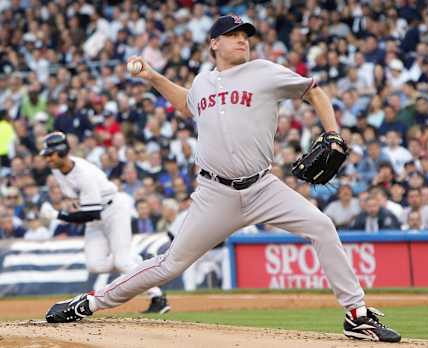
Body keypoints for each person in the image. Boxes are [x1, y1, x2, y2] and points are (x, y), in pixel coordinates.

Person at [45, 16, 400, 342]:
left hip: (263, 187)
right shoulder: (203, 81)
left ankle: (356, 315)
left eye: (245, 35)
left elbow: (314, 91)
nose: (242, 40)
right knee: (170, 264)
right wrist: (152, 77)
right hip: (215, 194)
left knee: (321, 226)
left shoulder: (264, 71)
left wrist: (333, 133)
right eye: (233, 35)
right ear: (214, 43)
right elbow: (186, 103)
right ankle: (89, 302)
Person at [38, 131, 169, 314]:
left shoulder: (83, 173)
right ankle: (134, 262)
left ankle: (157, 297)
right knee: (95, 265)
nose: (47, 158)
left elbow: (91, 214)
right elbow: (83, 204)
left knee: (123, 262)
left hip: (114, 209)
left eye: (50, 154)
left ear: (61, 152)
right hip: (96, 212)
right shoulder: (56, 169)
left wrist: (57, 215)